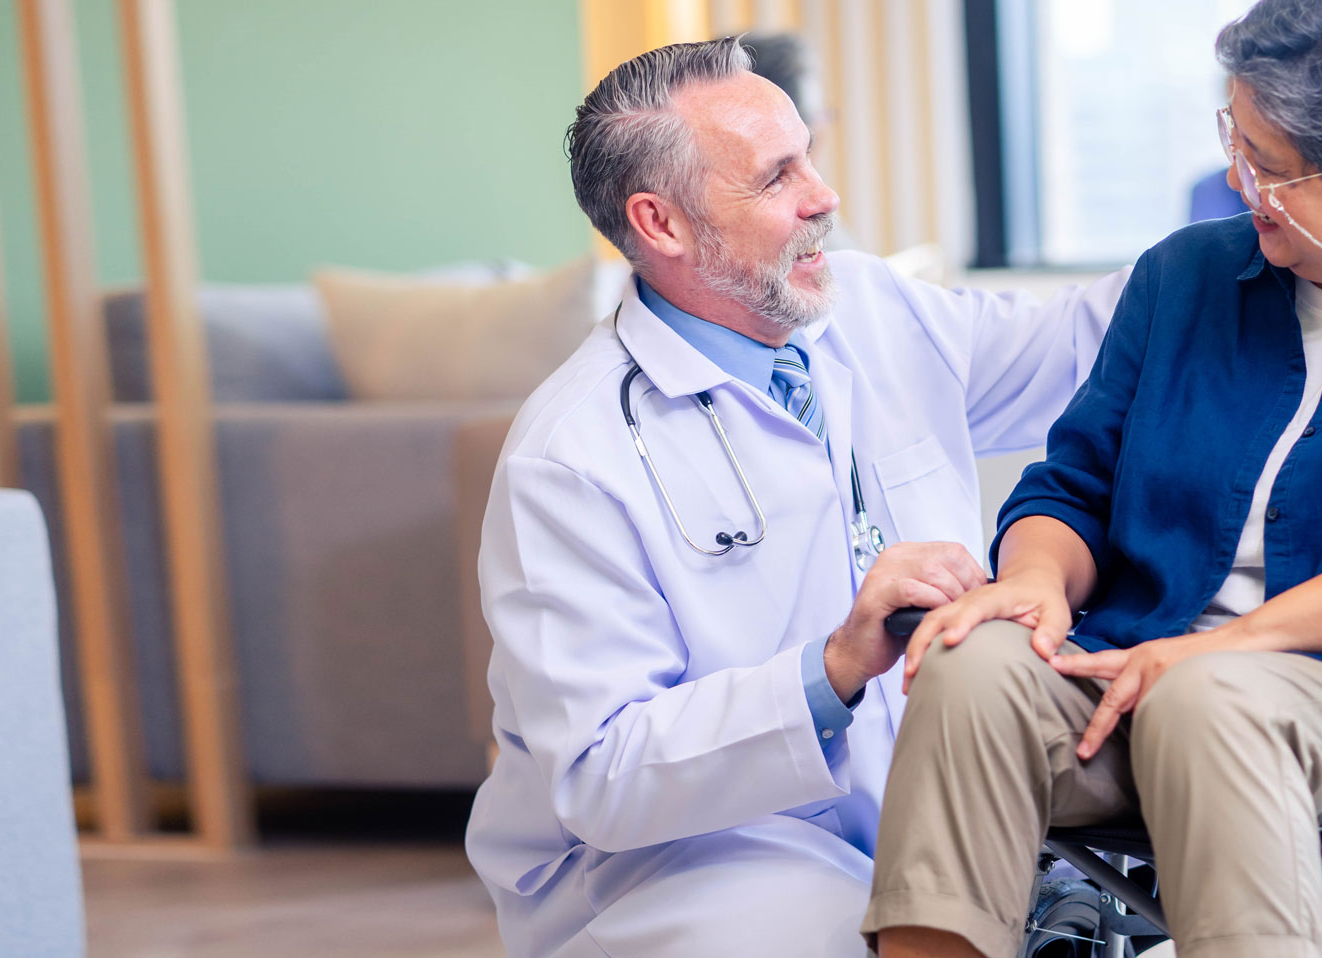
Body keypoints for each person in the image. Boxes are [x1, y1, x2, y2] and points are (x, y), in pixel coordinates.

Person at [859, 1, 1322, 955]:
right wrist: (1035, 583)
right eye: (1234, 139)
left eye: (1270, 165)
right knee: (972, 668)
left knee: (1207, 700)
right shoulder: (1183, 278)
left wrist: (1231, 648)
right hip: (1138, 671)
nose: (1237, 180)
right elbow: (1072, 481)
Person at [462, 38, 1129, 958]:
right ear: (662, 225)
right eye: (778, 178)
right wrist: (837, 663)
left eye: (809, 157)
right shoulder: (570, 457)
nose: (826, 196)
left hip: (905, 824)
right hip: (679, 869)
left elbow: (1088, 343)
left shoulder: (873, 309)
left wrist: (1263, 204)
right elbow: (601, 774)